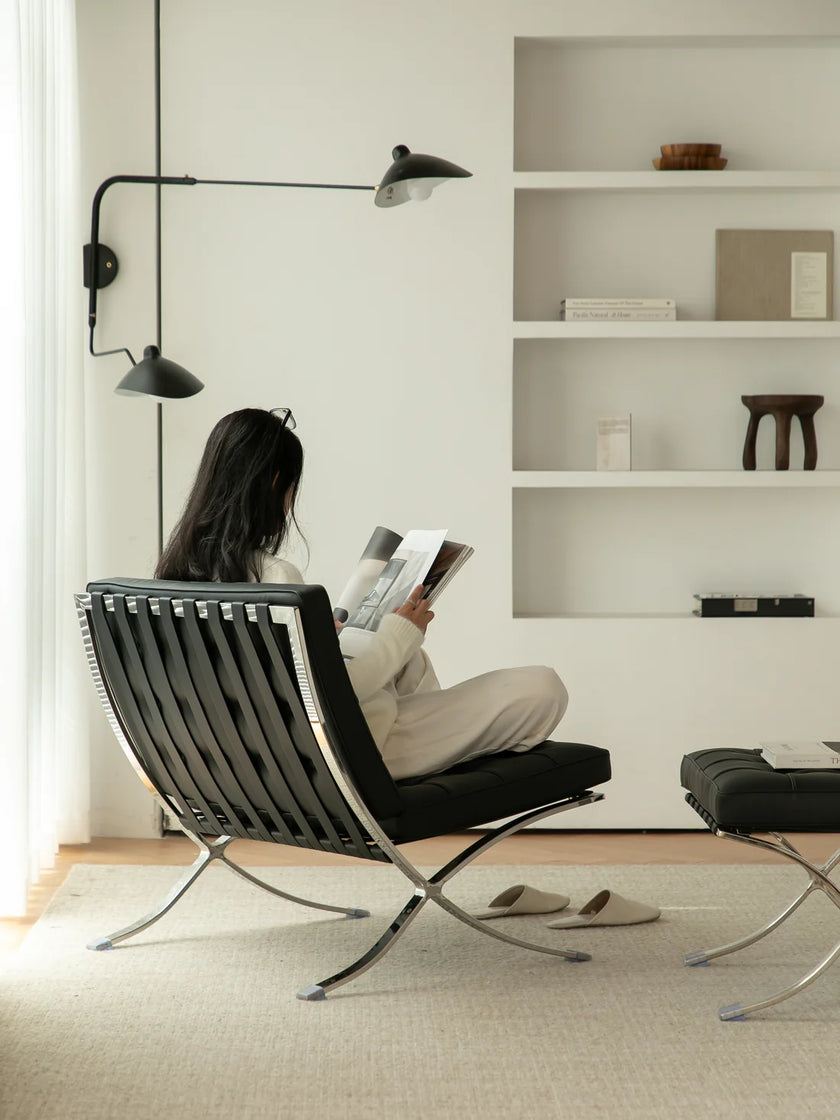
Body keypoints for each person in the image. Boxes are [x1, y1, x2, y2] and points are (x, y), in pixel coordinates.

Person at [156, 407, 568, 780]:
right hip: (348, 757)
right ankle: (441, 747)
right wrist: (400, 635)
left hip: (246, 765)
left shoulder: (168, 581)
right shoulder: (275, 577)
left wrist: (323, 641)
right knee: (540, 686)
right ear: (277, 482)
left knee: (409, 660)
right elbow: (325, 700)